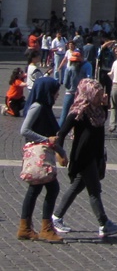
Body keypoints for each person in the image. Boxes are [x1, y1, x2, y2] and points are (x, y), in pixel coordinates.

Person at [52, 78, 117, 238]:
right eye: (98, 95)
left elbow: (101, 122)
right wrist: (61, 152)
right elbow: (62, 133)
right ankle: (104, 223)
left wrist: (105, 105)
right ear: (89, 94)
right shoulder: (78, 112)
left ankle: (56, 216)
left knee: (77, 187)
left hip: (95, 154)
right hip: (83, 156)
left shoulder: (97, 110)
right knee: (94, 190)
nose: (101, 97)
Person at [18, 76, 67, 241]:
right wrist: (45, 140)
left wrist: (61, 151)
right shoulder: (37, 107)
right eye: (55, 93)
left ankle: (25, 228)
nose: (56, 96)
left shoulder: (44, 107)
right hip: (38, 155)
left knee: (36, 189)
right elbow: (24, 130)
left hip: (44, 155)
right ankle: (45, 229)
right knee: (50, 189)